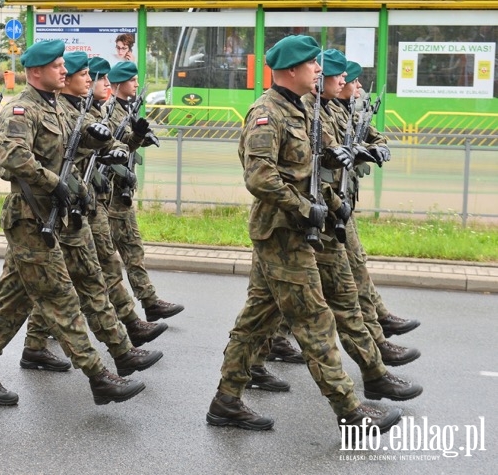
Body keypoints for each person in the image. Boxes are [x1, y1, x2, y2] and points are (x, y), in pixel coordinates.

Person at [205, 35, 401, 437]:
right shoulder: (267, 113)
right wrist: (302, 207)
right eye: (313, 64)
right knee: (315, 318)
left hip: (310, 228)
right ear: (291, 70)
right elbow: (260, 177)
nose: (319, 70)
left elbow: (321, 163)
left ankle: (226, 401)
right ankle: (349, 409)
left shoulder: (305, 109)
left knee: (257, 320)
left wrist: (334, 196)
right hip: (282, 232)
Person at [0, 39, 146, 406]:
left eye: (64, 65)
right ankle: (98, 375)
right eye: (57, 65)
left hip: (59, 216)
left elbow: (74, 151)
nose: (64, 70)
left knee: (12, 300)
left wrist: (102, 145)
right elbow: (12, 160)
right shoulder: (20, 110)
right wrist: (53, 182)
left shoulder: (58, 108)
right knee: (60, 297)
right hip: (31, 218)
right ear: (35, 72)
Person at [20, 51, 164, 376]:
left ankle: (34, 348)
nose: (97, 81)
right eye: (89, 75)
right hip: (47, 210)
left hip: (80, 204)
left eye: (94, 75)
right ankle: (111, 351)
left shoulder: (81, 111)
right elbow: (36, 158)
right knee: (71, 283)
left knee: (79, 278)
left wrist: (134, 138)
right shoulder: (49, 110)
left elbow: (108, 144)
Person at [83, 56, 167, 347]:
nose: (105, 84)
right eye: (100, 79)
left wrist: (138, 137)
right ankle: (130, 325)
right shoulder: (101, 113)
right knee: (102, 266)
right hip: (99, 199)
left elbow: (117, 147)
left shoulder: (109, 112)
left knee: (111, 261)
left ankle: (140, 312)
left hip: (104, 197)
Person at [338, 61, 421, 340]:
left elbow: (374, 136)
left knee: (351, 263)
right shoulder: (321, 112)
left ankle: (379, 319)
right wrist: (357, 151)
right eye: (353, 81)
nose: (359, 87)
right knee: (347, 269)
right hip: (322, 205)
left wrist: (375, 149)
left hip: (339, 202)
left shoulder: (346, 111)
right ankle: (376, 333)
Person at [106, 61, 185, 322]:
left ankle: (149, 302)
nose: (136, 84)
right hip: (109, 195)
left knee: (132, 248)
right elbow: (111, 148)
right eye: (132, 80)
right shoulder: (109, 112)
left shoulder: (125, 110)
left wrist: (141, 136)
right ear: (119, 84)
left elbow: (128, 145)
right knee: (101, 259)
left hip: (121, 193)